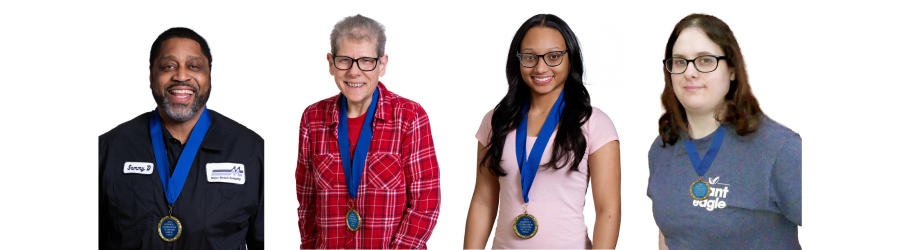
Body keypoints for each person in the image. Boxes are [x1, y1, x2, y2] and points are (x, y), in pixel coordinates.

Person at [463, 14, 621, 249]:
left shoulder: (594, 123)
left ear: (571, 59)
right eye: (529, 57)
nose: (540, 67)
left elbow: (608, 210)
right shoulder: (496, 121)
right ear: (517, 60)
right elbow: (483, 201)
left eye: (554, 56)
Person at [99, 27, 264, 249]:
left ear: (209, 77)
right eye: (168, 66)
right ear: (151, 77)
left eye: (194, 66)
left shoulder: (251, 151)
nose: (181, 76)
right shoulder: (109, 148)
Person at [648, 14, 802, 249]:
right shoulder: (662, 149)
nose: (690, 72)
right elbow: (669, 234)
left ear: (731, 69)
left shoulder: (780, 149)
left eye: (705, 60)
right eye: (679, 61)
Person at [295, 14, 440, 249]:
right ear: (331, 63)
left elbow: (426, 203)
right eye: (344, 60)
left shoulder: (410, 117)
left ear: (382, 65)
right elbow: (307, 203)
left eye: (366, 61)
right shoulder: (312, 119)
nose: (354, 72)